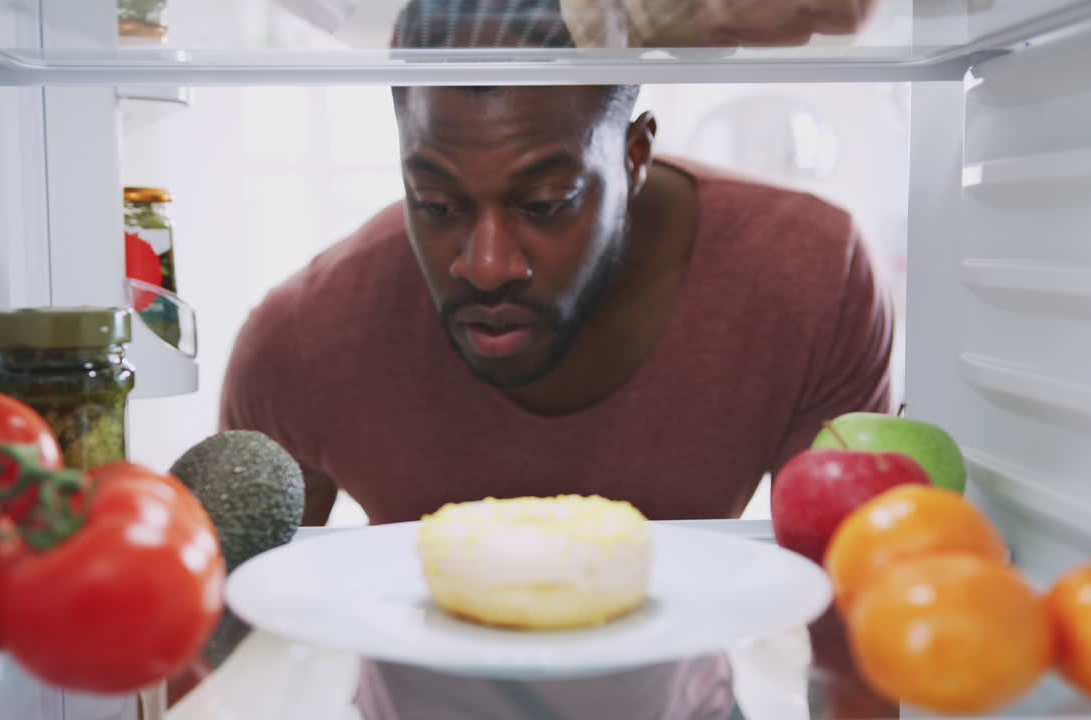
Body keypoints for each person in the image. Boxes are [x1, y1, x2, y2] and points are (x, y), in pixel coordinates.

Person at [219, 1, 893, 717]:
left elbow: (855, 635)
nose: (485, 266)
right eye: (437, 202)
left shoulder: (807, 278)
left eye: (544, 203)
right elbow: (223, 655)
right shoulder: (303, 336)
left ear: (634, 158)